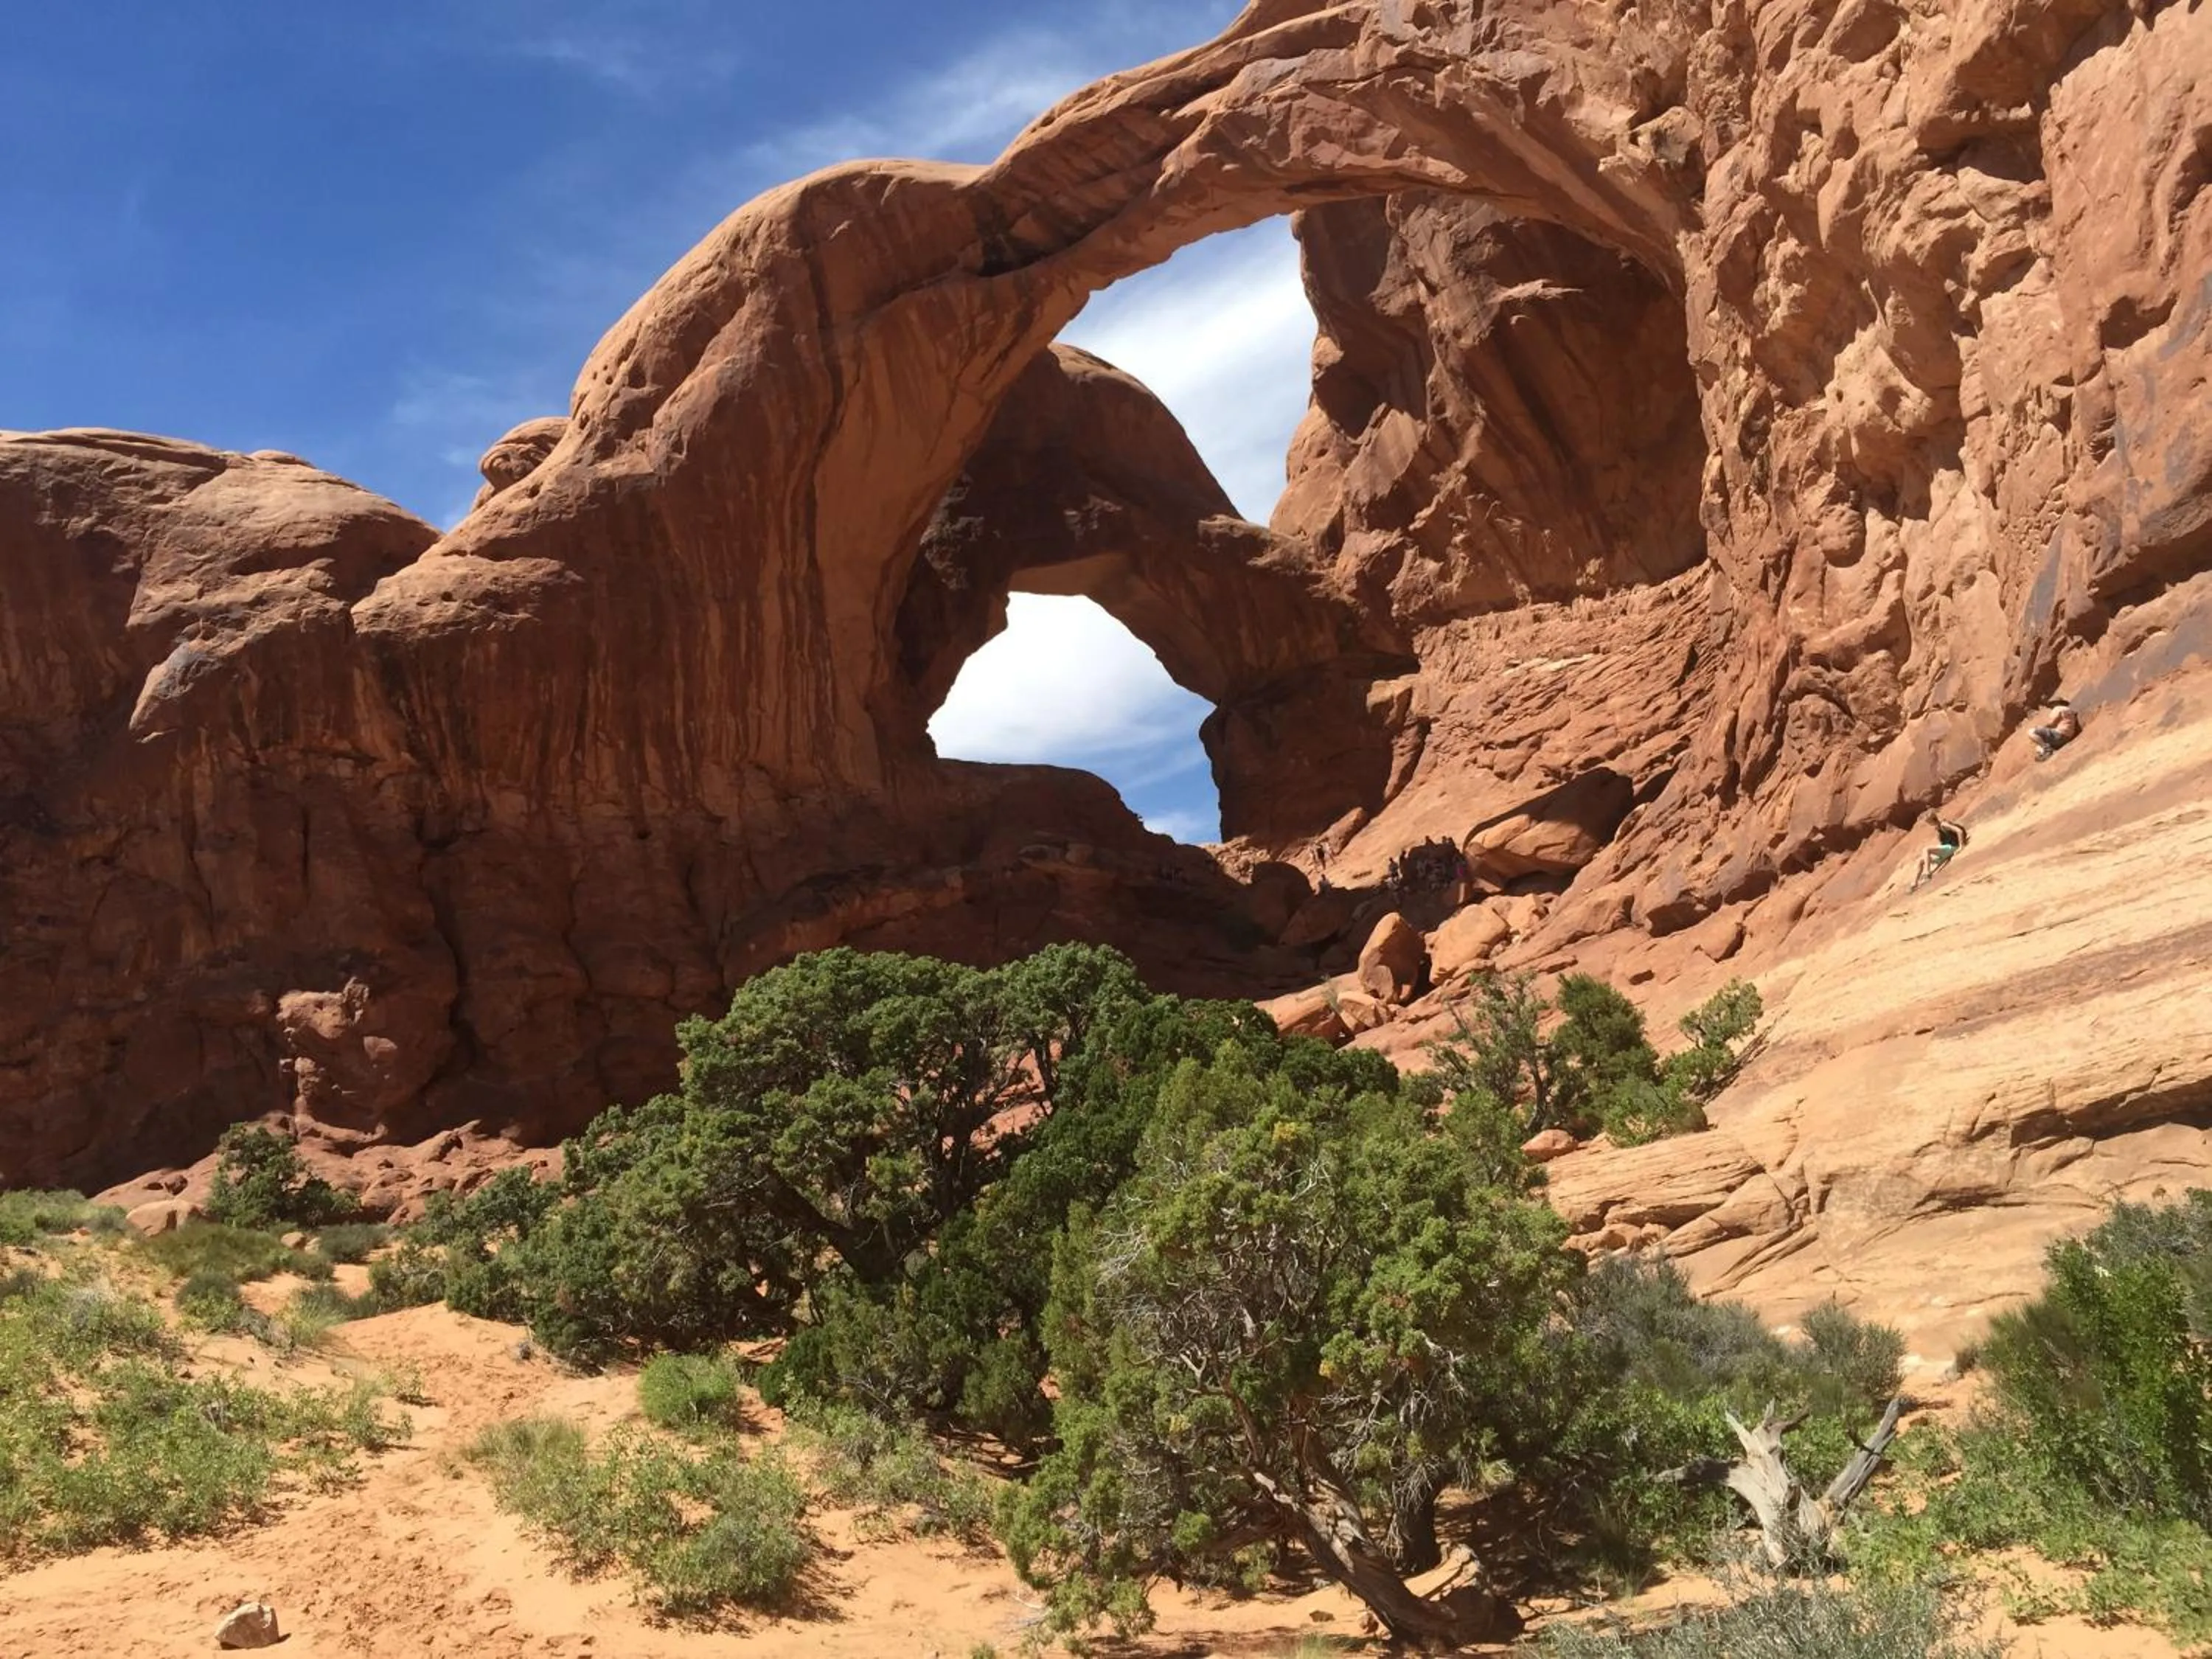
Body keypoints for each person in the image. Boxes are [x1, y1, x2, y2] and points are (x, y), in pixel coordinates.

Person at [1910, 812, 1968, 892]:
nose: (1928, 824)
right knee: (1921, 861)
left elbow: (1959, 831)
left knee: (1926, 849)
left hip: (1953, 846)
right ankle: (1914, 884)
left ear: (1931, 820)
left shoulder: (1943, 824)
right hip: (1947, 850)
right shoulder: (1938, 828)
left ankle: (1927, 872)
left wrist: (1961, 846)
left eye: (1928, 822)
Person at [2031, 697, 2081, 761]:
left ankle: (2047, 751)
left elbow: (2051, 724)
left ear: (2056, 703)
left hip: (2060, 735)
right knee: (2038, 747)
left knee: (2032, 731)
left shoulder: (2057, 708)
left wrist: (2041, 728)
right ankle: (2047, 752)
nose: (2050, 707)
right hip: (2068, 736)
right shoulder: (2068, 710)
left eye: (2051, 704)